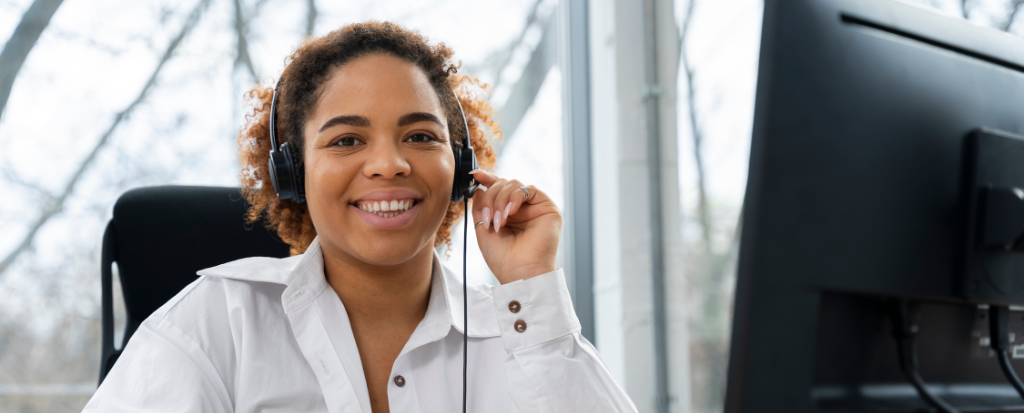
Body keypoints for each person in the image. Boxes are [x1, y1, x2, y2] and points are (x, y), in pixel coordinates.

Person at [83, 21, 636, 413]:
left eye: (420, 136)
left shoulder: (521, 333)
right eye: (347, 140)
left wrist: (532, 287)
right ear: (293, 172)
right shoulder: (217, 324)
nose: (390, 164)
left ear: (461, 167)